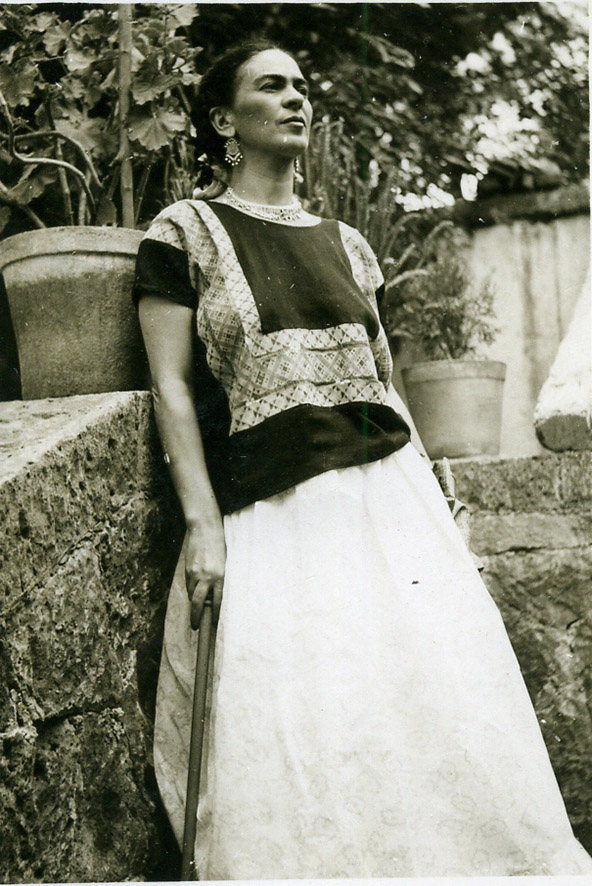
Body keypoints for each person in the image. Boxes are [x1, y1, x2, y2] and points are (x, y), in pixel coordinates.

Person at [133, 42, 592, 879]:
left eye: (303, 86)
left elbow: (385, 387)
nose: (296, 99)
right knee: (303, 723)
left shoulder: (349, 244)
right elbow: (170, 389)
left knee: (431, 707)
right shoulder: (184, 232)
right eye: (272, 86)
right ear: (223, 119)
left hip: (392, 510)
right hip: (275, 515)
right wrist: (202, 526)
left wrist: (438, 503)